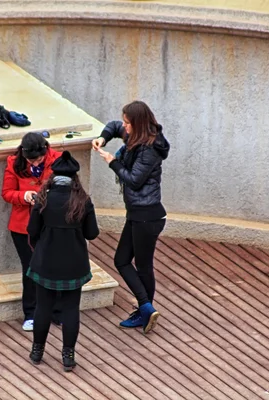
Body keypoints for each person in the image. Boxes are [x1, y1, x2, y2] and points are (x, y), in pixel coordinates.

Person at [93, 100, 170, 334]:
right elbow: (114, 126)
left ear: (137, 123)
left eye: (128, 123)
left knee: (141, 265)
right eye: (125, 122)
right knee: (124, 260)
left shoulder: (149, 149)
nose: (124, 126)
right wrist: (103, 138)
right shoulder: (135, 135)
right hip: (139, 214)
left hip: (147, 216)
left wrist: (112, 161)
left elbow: (134, 180)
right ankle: (144, 308)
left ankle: (144, 309)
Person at [27, 151, 99, 372]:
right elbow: (92, 233)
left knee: (43, 308)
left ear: (53, 175)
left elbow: (32, 230)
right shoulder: (83, 201)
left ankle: (37, 351)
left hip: (45, 262)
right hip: (73, 265)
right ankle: (68, 355)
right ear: (75, 178)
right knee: (70, 309)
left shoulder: (43, 199)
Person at [2, 132, 62, 331]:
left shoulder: (58, 160)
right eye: (31, 160)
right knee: (30, 269)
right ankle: (31, 313)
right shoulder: (14, 162)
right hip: (23, 226)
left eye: (38, 160)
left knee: (53, 267)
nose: (35, 164)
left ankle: (55, 310)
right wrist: (24, 195)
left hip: (49, 224)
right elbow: (7, 193)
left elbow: (67, 189)